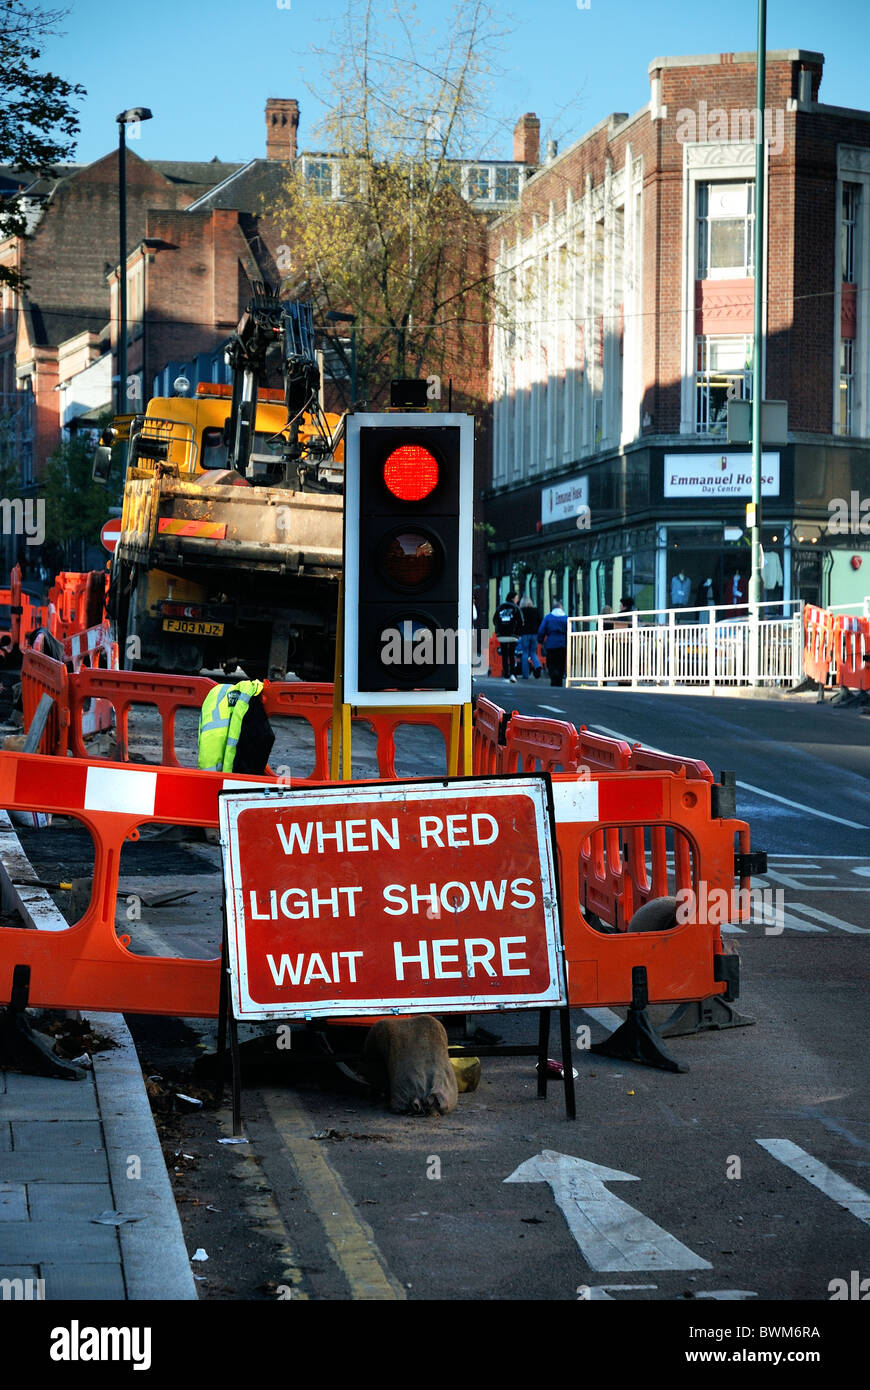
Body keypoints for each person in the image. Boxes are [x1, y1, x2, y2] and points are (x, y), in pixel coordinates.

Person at [493, 590, 522, 682]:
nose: (517, 600)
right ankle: (512, 674)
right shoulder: (516, 608)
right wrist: (518, 632)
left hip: (502, 635)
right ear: (513, 599)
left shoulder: (500, 607)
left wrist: (498, 631)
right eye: (517, 598)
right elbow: (521, 621)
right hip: (512, 635)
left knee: (504, 655)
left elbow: (494, 620)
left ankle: (506, 675)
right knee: (512, 654)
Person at [538, 599, 568, 687]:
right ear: (561, 608)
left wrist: (540, 640)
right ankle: (559, 679)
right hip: (562, 644)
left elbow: (541, 630)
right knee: (561, 662)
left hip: (551, 644)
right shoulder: (566, 618)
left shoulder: (548, 617)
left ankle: (553, 677)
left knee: (551, 662)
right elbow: (572, 630)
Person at [517, 596, 542, 679]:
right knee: (533, 652)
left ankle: (525, 674)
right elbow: (540, 622)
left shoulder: (521, 611)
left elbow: (519, 623)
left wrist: (519, 632)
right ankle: (537, 666)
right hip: (534, 634)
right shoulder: (535, 610)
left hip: (525, 634)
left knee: (525, 653)